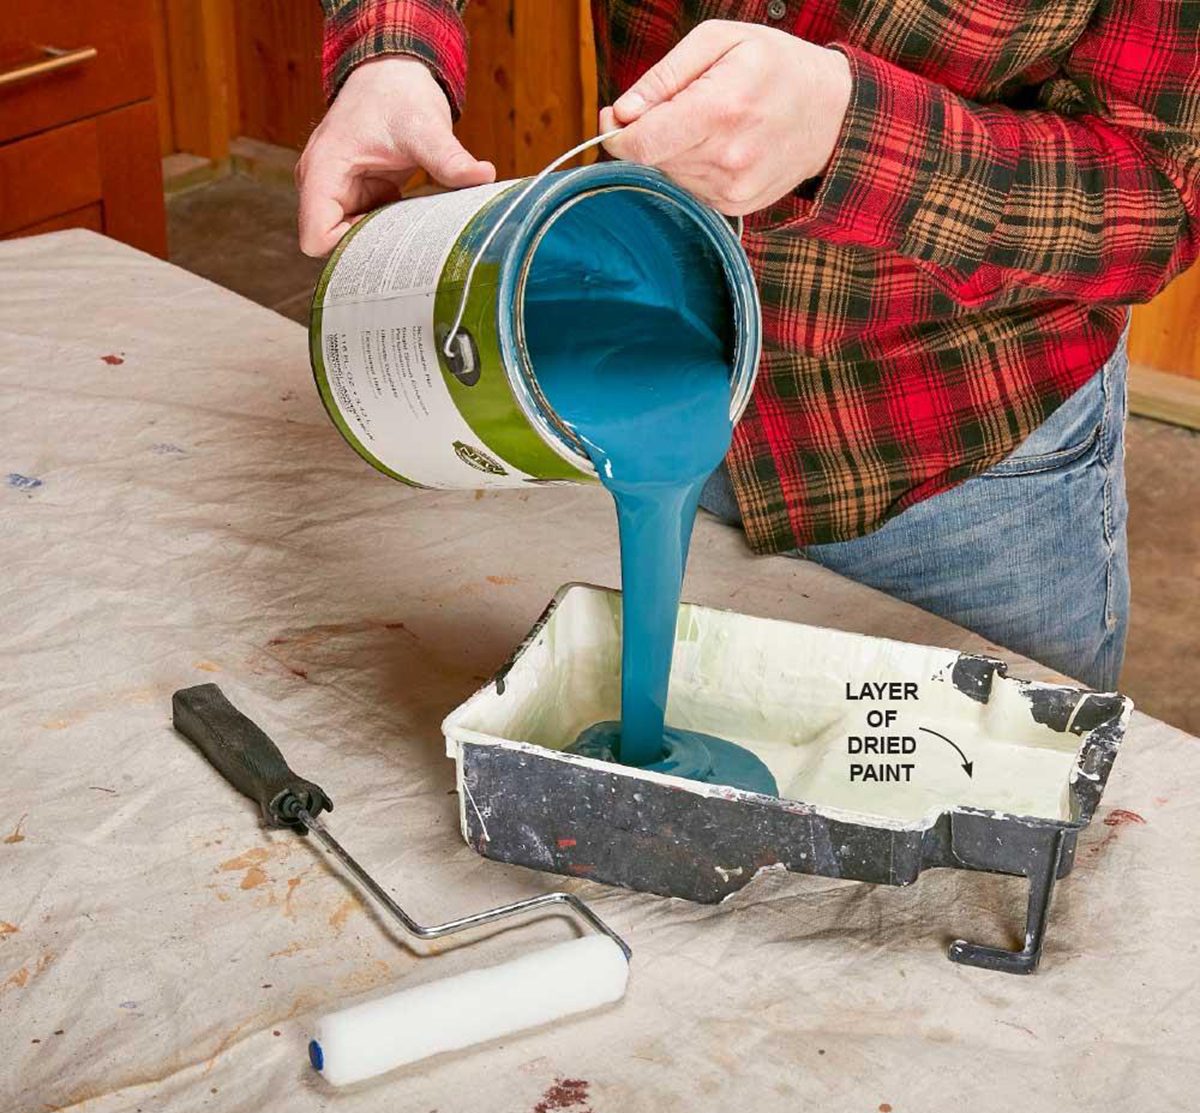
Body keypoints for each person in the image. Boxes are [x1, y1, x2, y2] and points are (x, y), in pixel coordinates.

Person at [296, 3, 1200, 691]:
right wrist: (392, 56)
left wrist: (849, 132)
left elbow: (1161, 199)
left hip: (953, 468)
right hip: (621, 371)